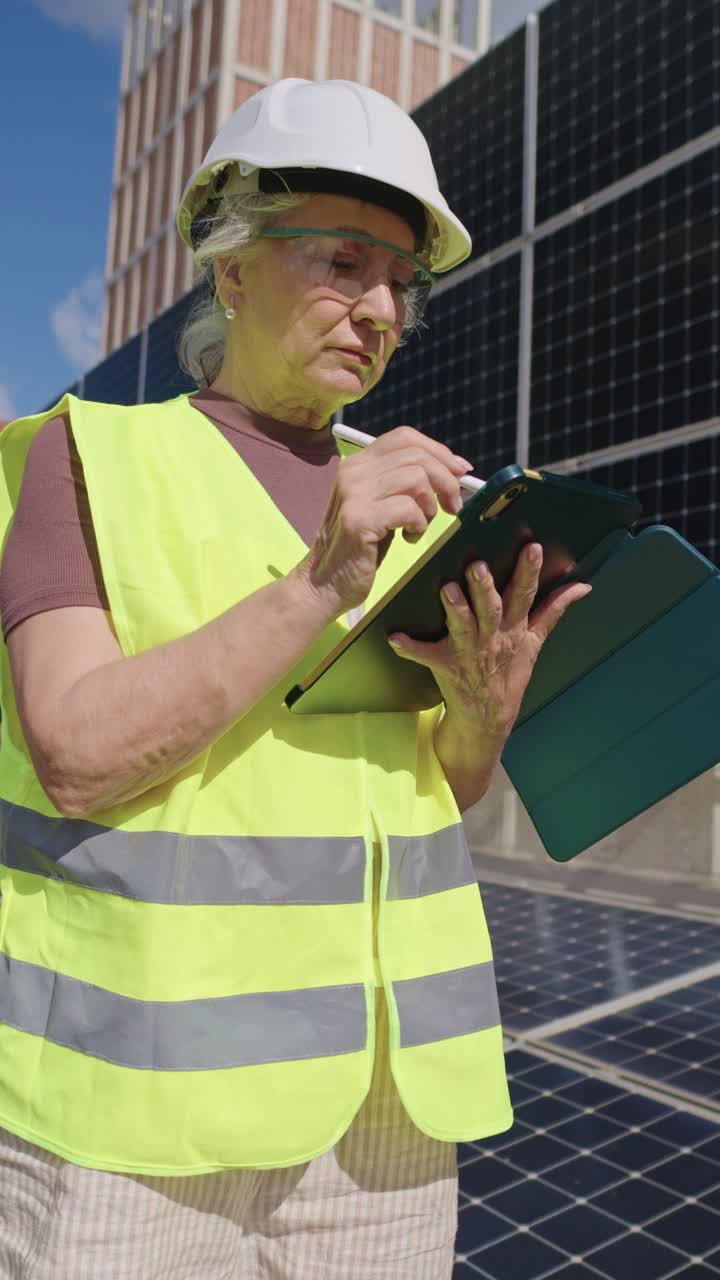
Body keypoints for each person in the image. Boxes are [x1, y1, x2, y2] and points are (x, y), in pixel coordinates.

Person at [0, 78, 589, 1278]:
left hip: (387, 1119)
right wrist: (320, 584)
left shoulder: (425, 507)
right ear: (228, 270)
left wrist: (481, 716)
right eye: (341, 261)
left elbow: (436, 793)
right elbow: (72, 747)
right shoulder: (89, 457)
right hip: (139, 1121)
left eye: (399, 283)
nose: (378, 309)